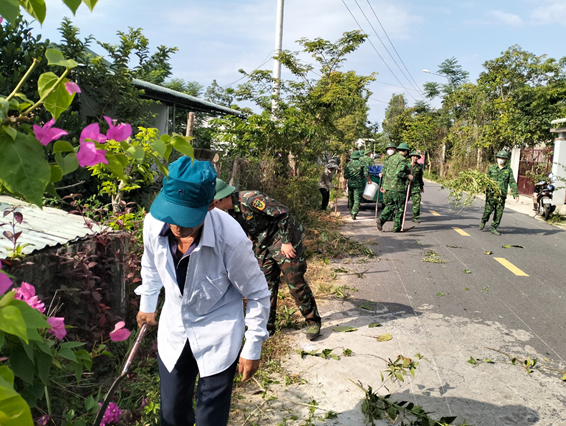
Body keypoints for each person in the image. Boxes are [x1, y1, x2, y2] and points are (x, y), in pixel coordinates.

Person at [134, 157, 271, 426]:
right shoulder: (152, 223)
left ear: (210, 206)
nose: (177, 226)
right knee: (171, 413)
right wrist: (147, 302)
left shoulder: (230, 238)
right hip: (175, 330)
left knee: (210, 418)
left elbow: (257, 293)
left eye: (187, 219)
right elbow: (150, 265)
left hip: (218, 333)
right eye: (171, 215)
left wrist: (252, 346)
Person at [213, 179, 322, 340]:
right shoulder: (232, 211)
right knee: (265, 286)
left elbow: (283, 213)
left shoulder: (251, 199)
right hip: (263, 245)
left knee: (294, 282)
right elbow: (252, 227)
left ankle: (313, 321)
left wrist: (286, 241)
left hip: (283, 239)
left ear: (218, 200)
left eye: (212, 203)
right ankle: (267, 326)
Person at [479, 150, 519, 235]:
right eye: (499, 158)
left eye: (503, 158)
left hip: (501, 195)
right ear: (497, 158)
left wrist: (515, 194)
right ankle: (484, 220)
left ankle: (494, 228)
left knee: (499, 212)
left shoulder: (508, 170)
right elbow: (486, 180)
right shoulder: (492, 168)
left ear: (505, 160)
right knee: (488, 210)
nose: (501, 159)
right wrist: (483, 189)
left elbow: (512, 182)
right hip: (491, 194)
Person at [377, 142, 413, 232]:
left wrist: (383, 185)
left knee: (390, 206)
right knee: (400, 208)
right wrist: (408, 176)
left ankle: (381, 219)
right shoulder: (403, 160)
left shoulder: (390, 158)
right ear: (406, 151)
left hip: (388, 187)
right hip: (398, 188)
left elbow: (384, 172)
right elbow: (399, 172)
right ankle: (397, 227)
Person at [344, 150, 371, 220]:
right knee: (357, 199)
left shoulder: (348, 164)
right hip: (358, 184)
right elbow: (366, 174)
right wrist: (369, 181)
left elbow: (345, 176)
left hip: (350, 184)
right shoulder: (362, 163)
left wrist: (344, 185)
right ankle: (354, 213)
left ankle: (351, 211)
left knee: (350, 199)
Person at [409, 151, 424, 223]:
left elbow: (420, 178)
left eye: (417, 157)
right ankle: (399, 216)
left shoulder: (419, 167)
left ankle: (415, 217)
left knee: (416, 202)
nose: (415, 158)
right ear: (411, 157)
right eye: (414, 156)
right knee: (401, 203)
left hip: (415, 187)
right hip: (406, 187)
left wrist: (421, 186)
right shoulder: (406, 165)